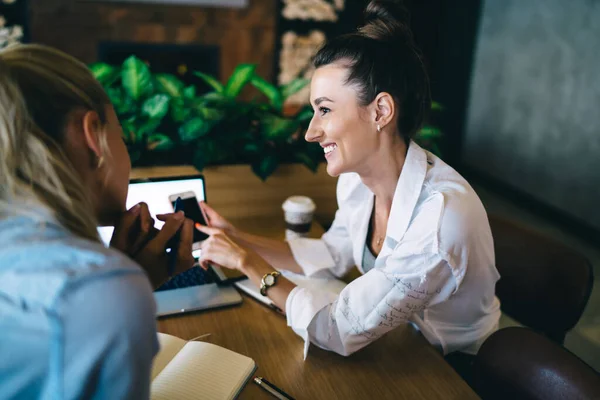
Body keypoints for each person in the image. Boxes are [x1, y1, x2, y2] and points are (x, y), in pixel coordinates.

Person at [196, 0, 500, 360]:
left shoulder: (439, 220)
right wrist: (236, 238)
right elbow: (331, 254)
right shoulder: (357, 182)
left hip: (450, 368)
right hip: (398, 344)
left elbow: (336, 330)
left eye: (324, 110)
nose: (311, 132)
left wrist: (249, 263)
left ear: (380, 111)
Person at [0, 44, 195, 399]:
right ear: (93, 135)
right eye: (121, 136)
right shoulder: (96, 290)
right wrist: (119, 282)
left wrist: (132, 276)